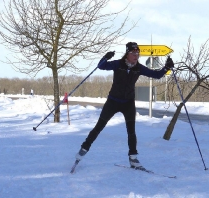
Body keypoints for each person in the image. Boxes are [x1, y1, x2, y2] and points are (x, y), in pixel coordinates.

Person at [75, 42, 174, 170]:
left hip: (128, 103)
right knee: (99, 127)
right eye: (133, 53)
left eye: (137, 53)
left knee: (131, 131)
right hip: (113, 101)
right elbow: (101, 66)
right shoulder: (118, 64)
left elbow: (156, 75)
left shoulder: (138, 68)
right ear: (127, 53)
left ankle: (133, 158)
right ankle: (83, 149)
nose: (136, 55)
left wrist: (167, 67)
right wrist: (106, 57)